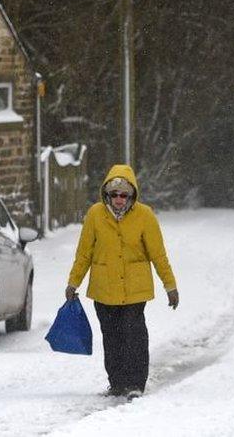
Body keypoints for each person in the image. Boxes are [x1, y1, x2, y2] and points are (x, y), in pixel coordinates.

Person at [65, 164, 179, 399]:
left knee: (134, 335)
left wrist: (170, 286)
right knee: (112, 336)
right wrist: (73, 282)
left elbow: (158, 254)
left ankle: (136, 383)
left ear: (132, 195)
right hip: (103, 289)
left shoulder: (145, 215)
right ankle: (116, 383)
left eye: (124, 194)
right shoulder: (95, 214)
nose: (118, 199)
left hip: (135, 289)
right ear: (107, 194)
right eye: (114, 194)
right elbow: (84, 252)